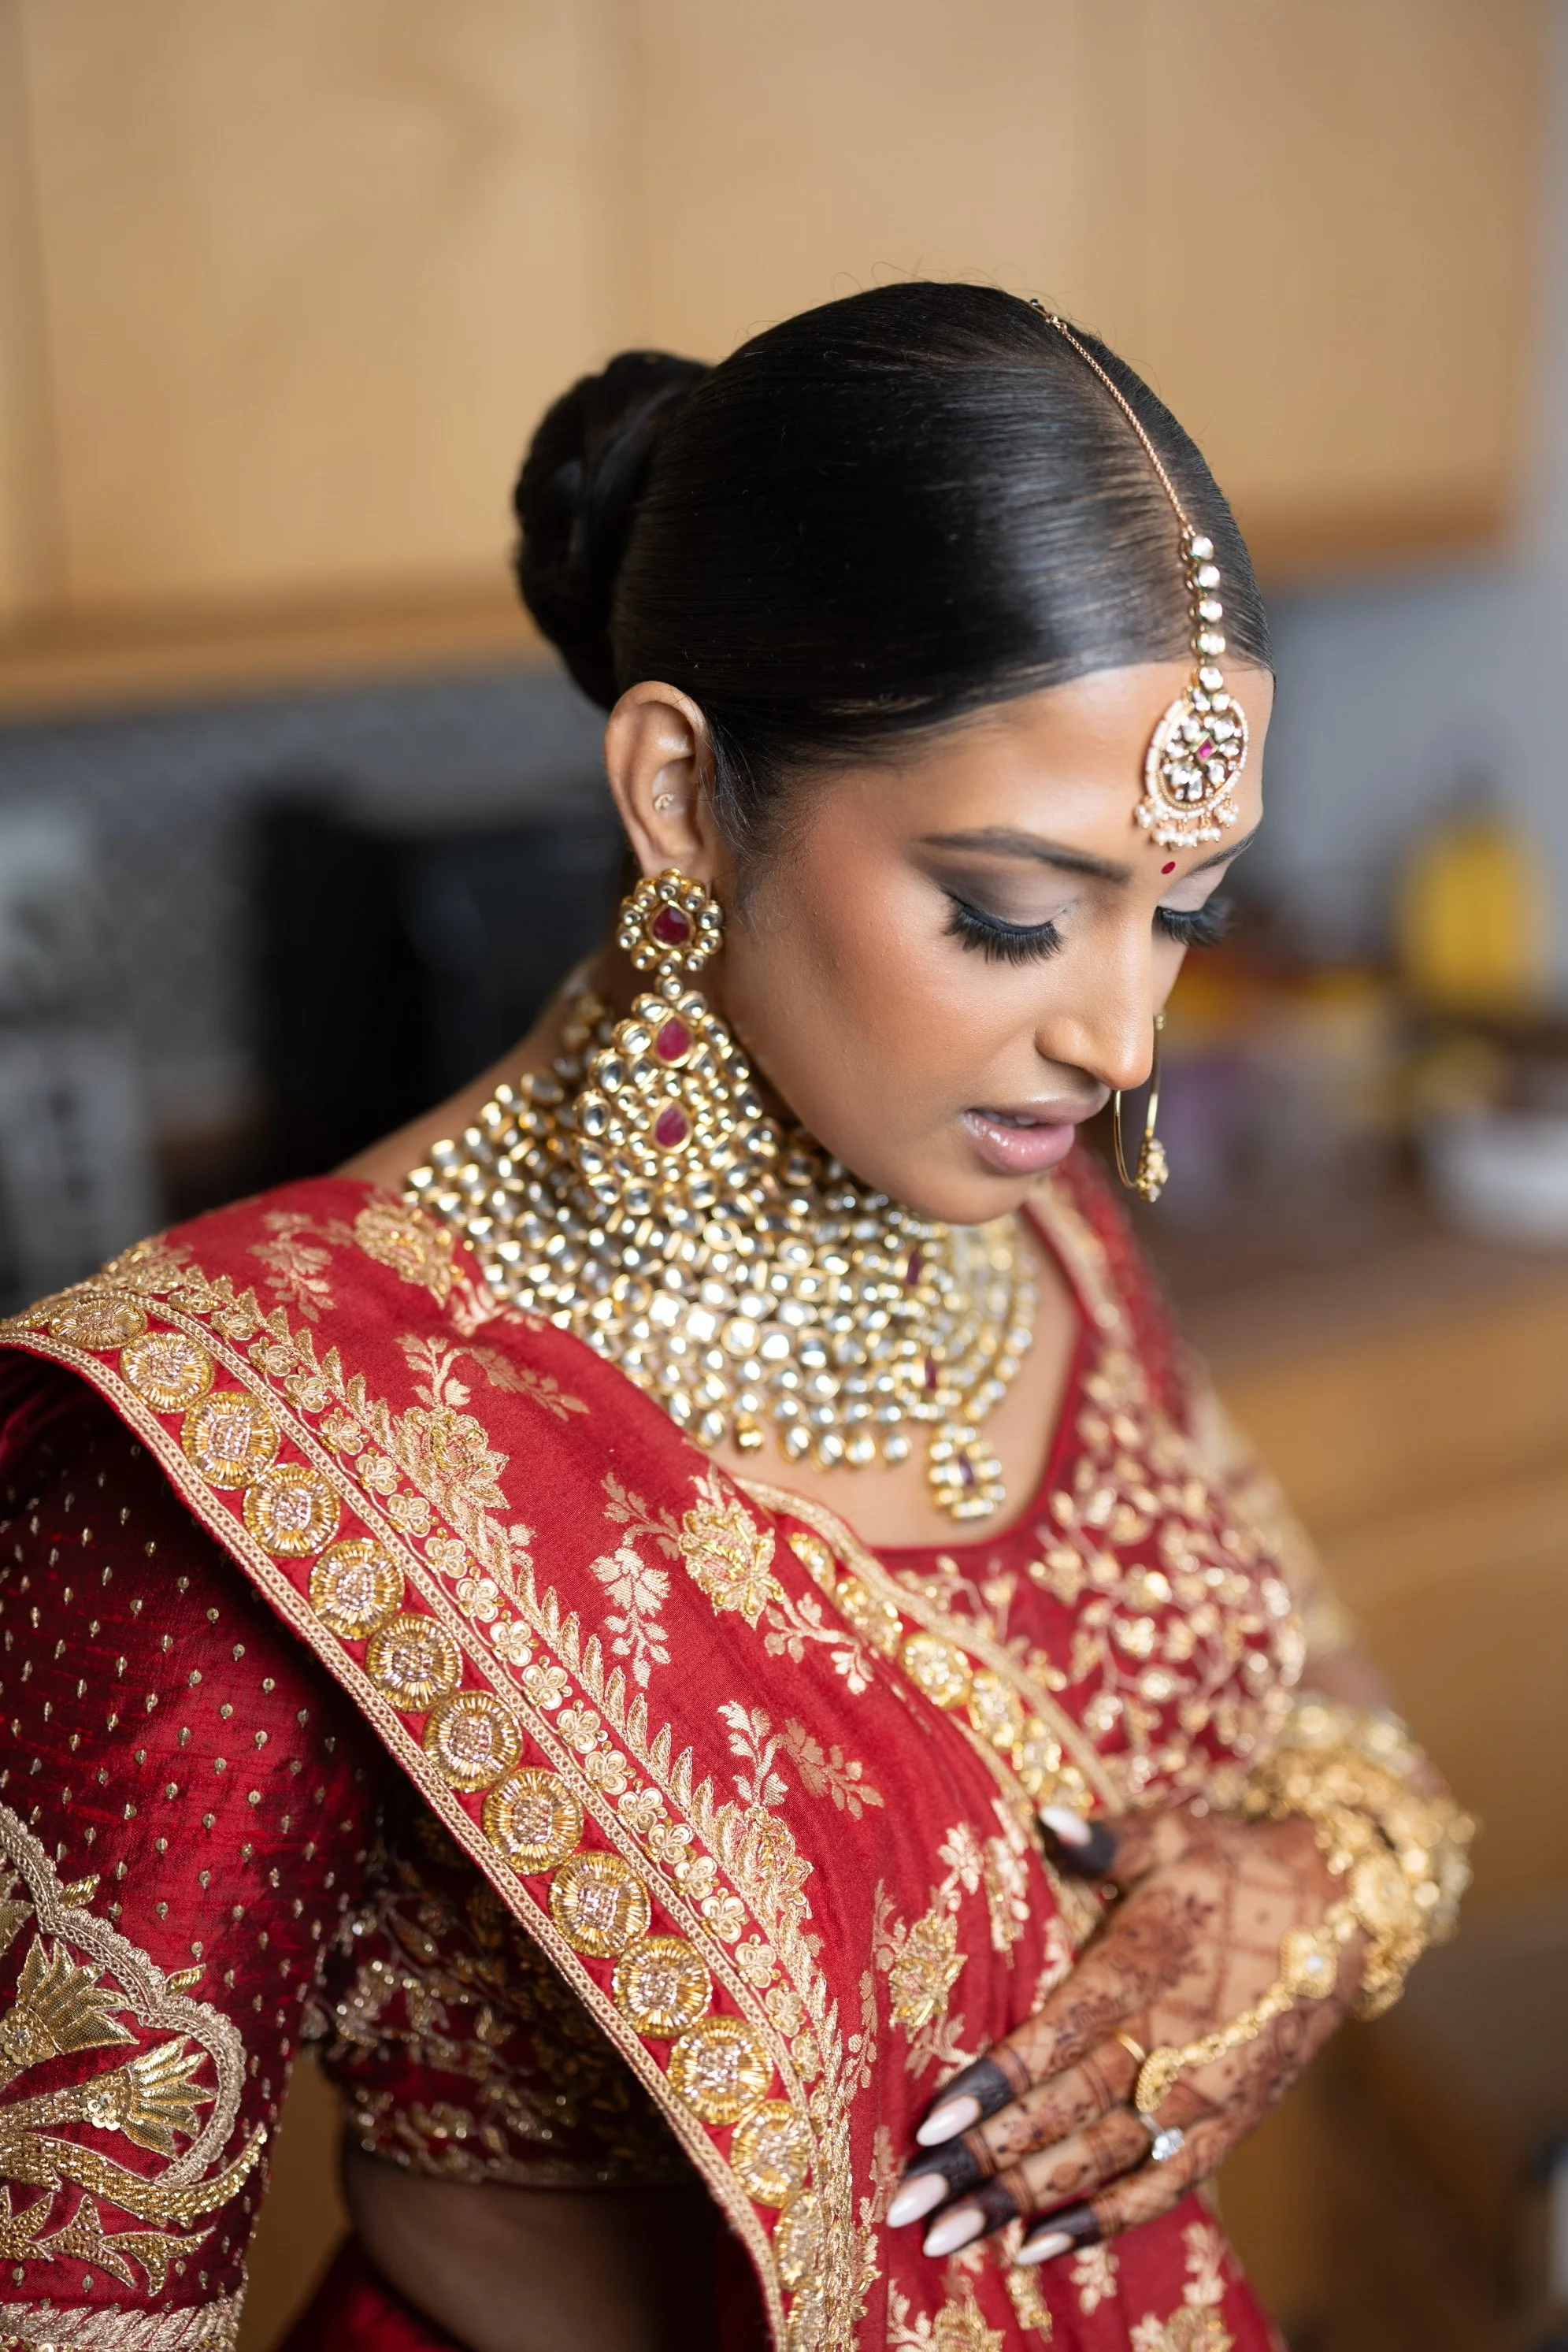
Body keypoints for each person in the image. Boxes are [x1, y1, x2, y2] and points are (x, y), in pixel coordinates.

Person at [0, 284, 1470, 2352]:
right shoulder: (254, 1434)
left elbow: (1331, 1717)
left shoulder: (1019, 1219)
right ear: (685, 796)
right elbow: (73, 2298)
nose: (1118, 1033)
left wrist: (1287, 1905)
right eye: (1010, 916)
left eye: (1183, 916)